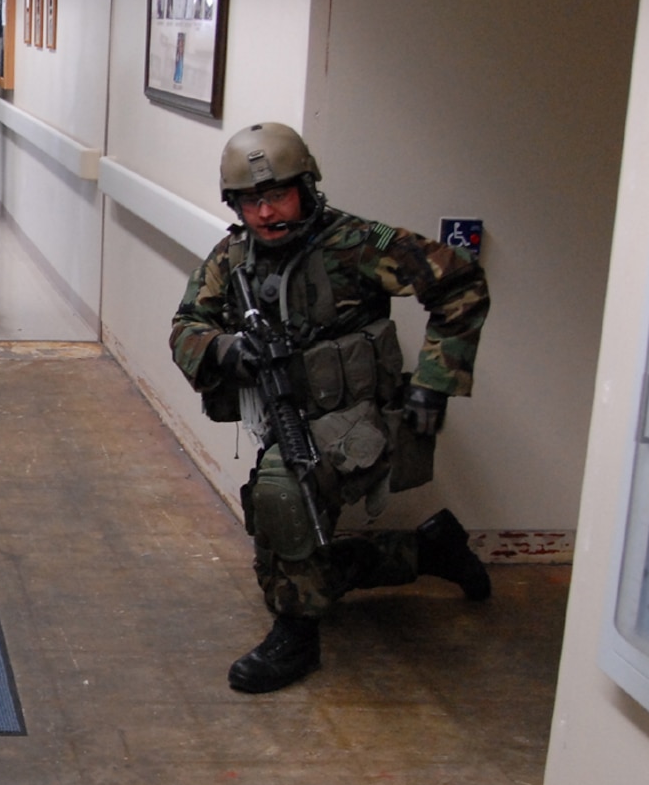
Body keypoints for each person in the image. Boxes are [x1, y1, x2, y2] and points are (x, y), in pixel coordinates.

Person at [168, 122, 493, 694]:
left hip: (361, 414)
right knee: (277, 564)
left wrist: (435, 384)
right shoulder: (234, 257)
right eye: (251, 201)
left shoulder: (357, 244)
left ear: (308, 187)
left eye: (278, 196)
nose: (266, 213)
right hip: (284, 412)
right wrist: (226, 348)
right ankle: (428, 549)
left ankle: (297, 637)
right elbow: (186, 325)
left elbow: (459, 284)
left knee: (284, 494)